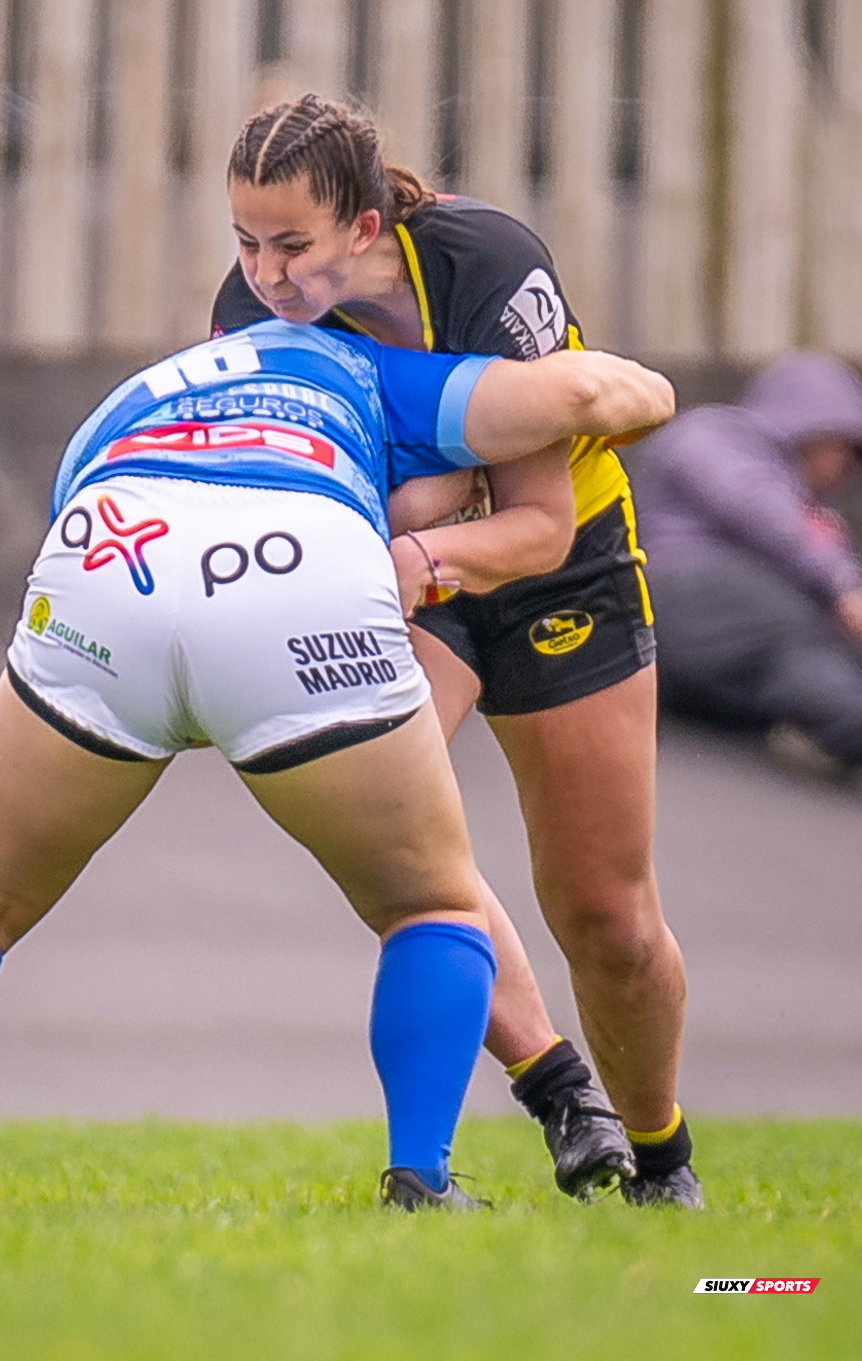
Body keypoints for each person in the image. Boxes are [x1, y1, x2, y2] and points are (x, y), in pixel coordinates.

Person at [0, 315, 672, 1211]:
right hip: (294, 562)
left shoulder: (148, 384)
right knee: (430, 901)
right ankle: (419, 1180)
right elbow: (579, 396)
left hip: (109, 550)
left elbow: (93, 536)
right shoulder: (380, 371)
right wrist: (649, 397)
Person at [213, 94, 700, 1208]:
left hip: (551, 565)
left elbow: (534, 523)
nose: (266, 275)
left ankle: (659, 1156)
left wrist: (420, 540)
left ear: (365, 228)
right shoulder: (247, 316)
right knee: (387, 840)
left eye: (291, 244)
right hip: (402, 574)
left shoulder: (482, 262)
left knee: (605, 918)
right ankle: (560, 1095)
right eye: (244, 241)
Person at [632, 351, 862, 776]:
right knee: (800, 642)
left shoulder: (800, 500)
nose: (846, 470)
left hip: (703, 634)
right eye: (845, 450)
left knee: (802, 652)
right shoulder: (715, 434)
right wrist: (843, 587)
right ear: (814, 426)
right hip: (683, 583)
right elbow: (756, 508)